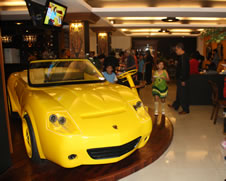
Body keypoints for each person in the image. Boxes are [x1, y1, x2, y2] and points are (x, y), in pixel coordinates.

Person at [169, 43, 190, 114]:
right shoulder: (181, 56)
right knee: (179, 94)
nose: (175, 51)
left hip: (182, 79)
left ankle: (186, 109)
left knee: (182, 94)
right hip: (180, 78)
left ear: (180, 49)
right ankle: (176, 105)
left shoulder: (184, 57)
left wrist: (183, 80)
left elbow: (184, 69)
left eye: (176, 50)